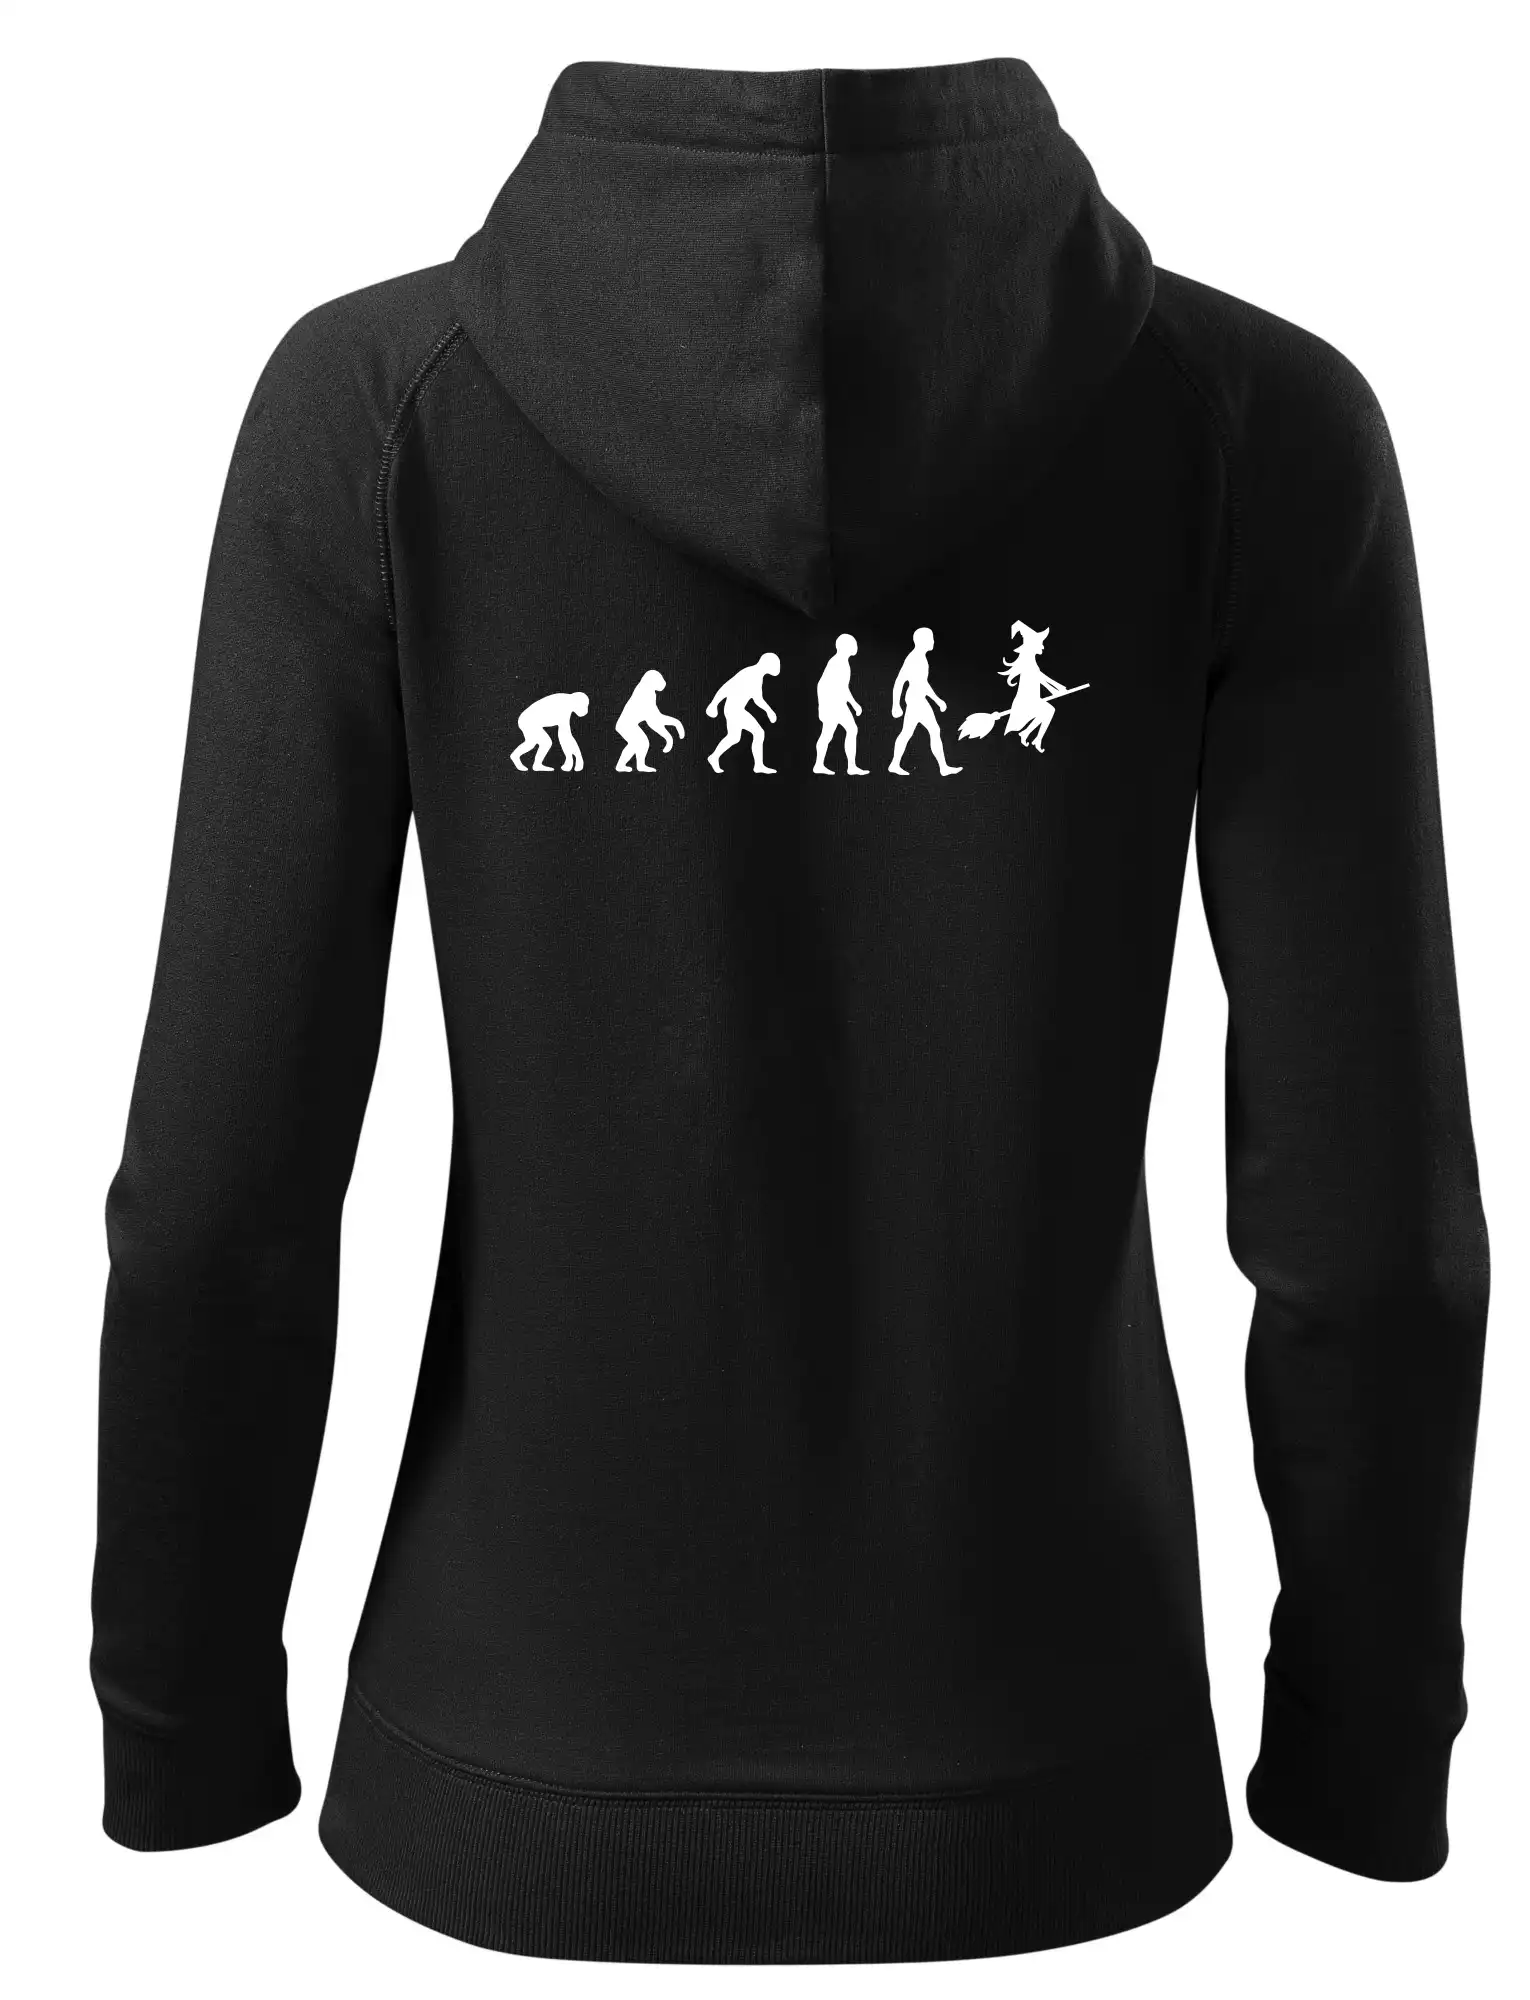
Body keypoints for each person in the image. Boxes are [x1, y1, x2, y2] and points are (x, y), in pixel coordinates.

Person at [890, 626, 961, 776]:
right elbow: (901, 681)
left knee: (922, 731)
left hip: (917, 700)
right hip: (916, 701)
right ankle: (895, 764)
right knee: (916, 732)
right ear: (922, 641)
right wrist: (895, 704)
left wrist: (937, 700)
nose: (933, 641)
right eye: (931, 638)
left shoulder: (919, 657)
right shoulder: (915, 659)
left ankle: (942, 767)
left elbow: (921, 683)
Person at [706, 652, 780, 773]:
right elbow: (727, 687)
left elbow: (757, 699)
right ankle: (758, 765)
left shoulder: (757, 676)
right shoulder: (749, 673)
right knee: (759, 733)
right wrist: (713, 704)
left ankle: (714, 757)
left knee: (734, 737)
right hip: (734, 710)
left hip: (734, 709)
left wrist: (769, 711)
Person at [1002, 620, 1065, 752]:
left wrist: (1058, 688)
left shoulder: (1031, 662)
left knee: (1047, 711)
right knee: (1048, 711)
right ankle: (1034, 737)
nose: (1042, 646)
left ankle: (1028, 734)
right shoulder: (1027, 662)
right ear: (1031, 645)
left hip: (1031, 699)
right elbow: (1040, 678)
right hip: (1026, 701)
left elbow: (1041, 677)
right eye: (1040, 643)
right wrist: (1055, 689)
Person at [813, 634, 868, 774]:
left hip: (837, 704)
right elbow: (825, 685)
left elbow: (842, 687)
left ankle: (850, 766)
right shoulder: (837, 662)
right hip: (833, 704)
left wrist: (853, 704)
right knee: (831, 734)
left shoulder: (842, 662)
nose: (854, 647)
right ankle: (821, 765)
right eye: (851, 644)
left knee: (846, 730)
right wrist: (824, 706)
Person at [511, 689, 588, 771]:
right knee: (541, 743)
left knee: (537, 743)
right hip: (528, 720)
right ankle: (518, 757)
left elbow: (565, 735)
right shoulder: (565, 705)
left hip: (527, 719)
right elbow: (565, 735)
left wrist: (573, 757)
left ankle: (535, 764)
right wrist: (575, 757)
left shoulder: (566, 700)